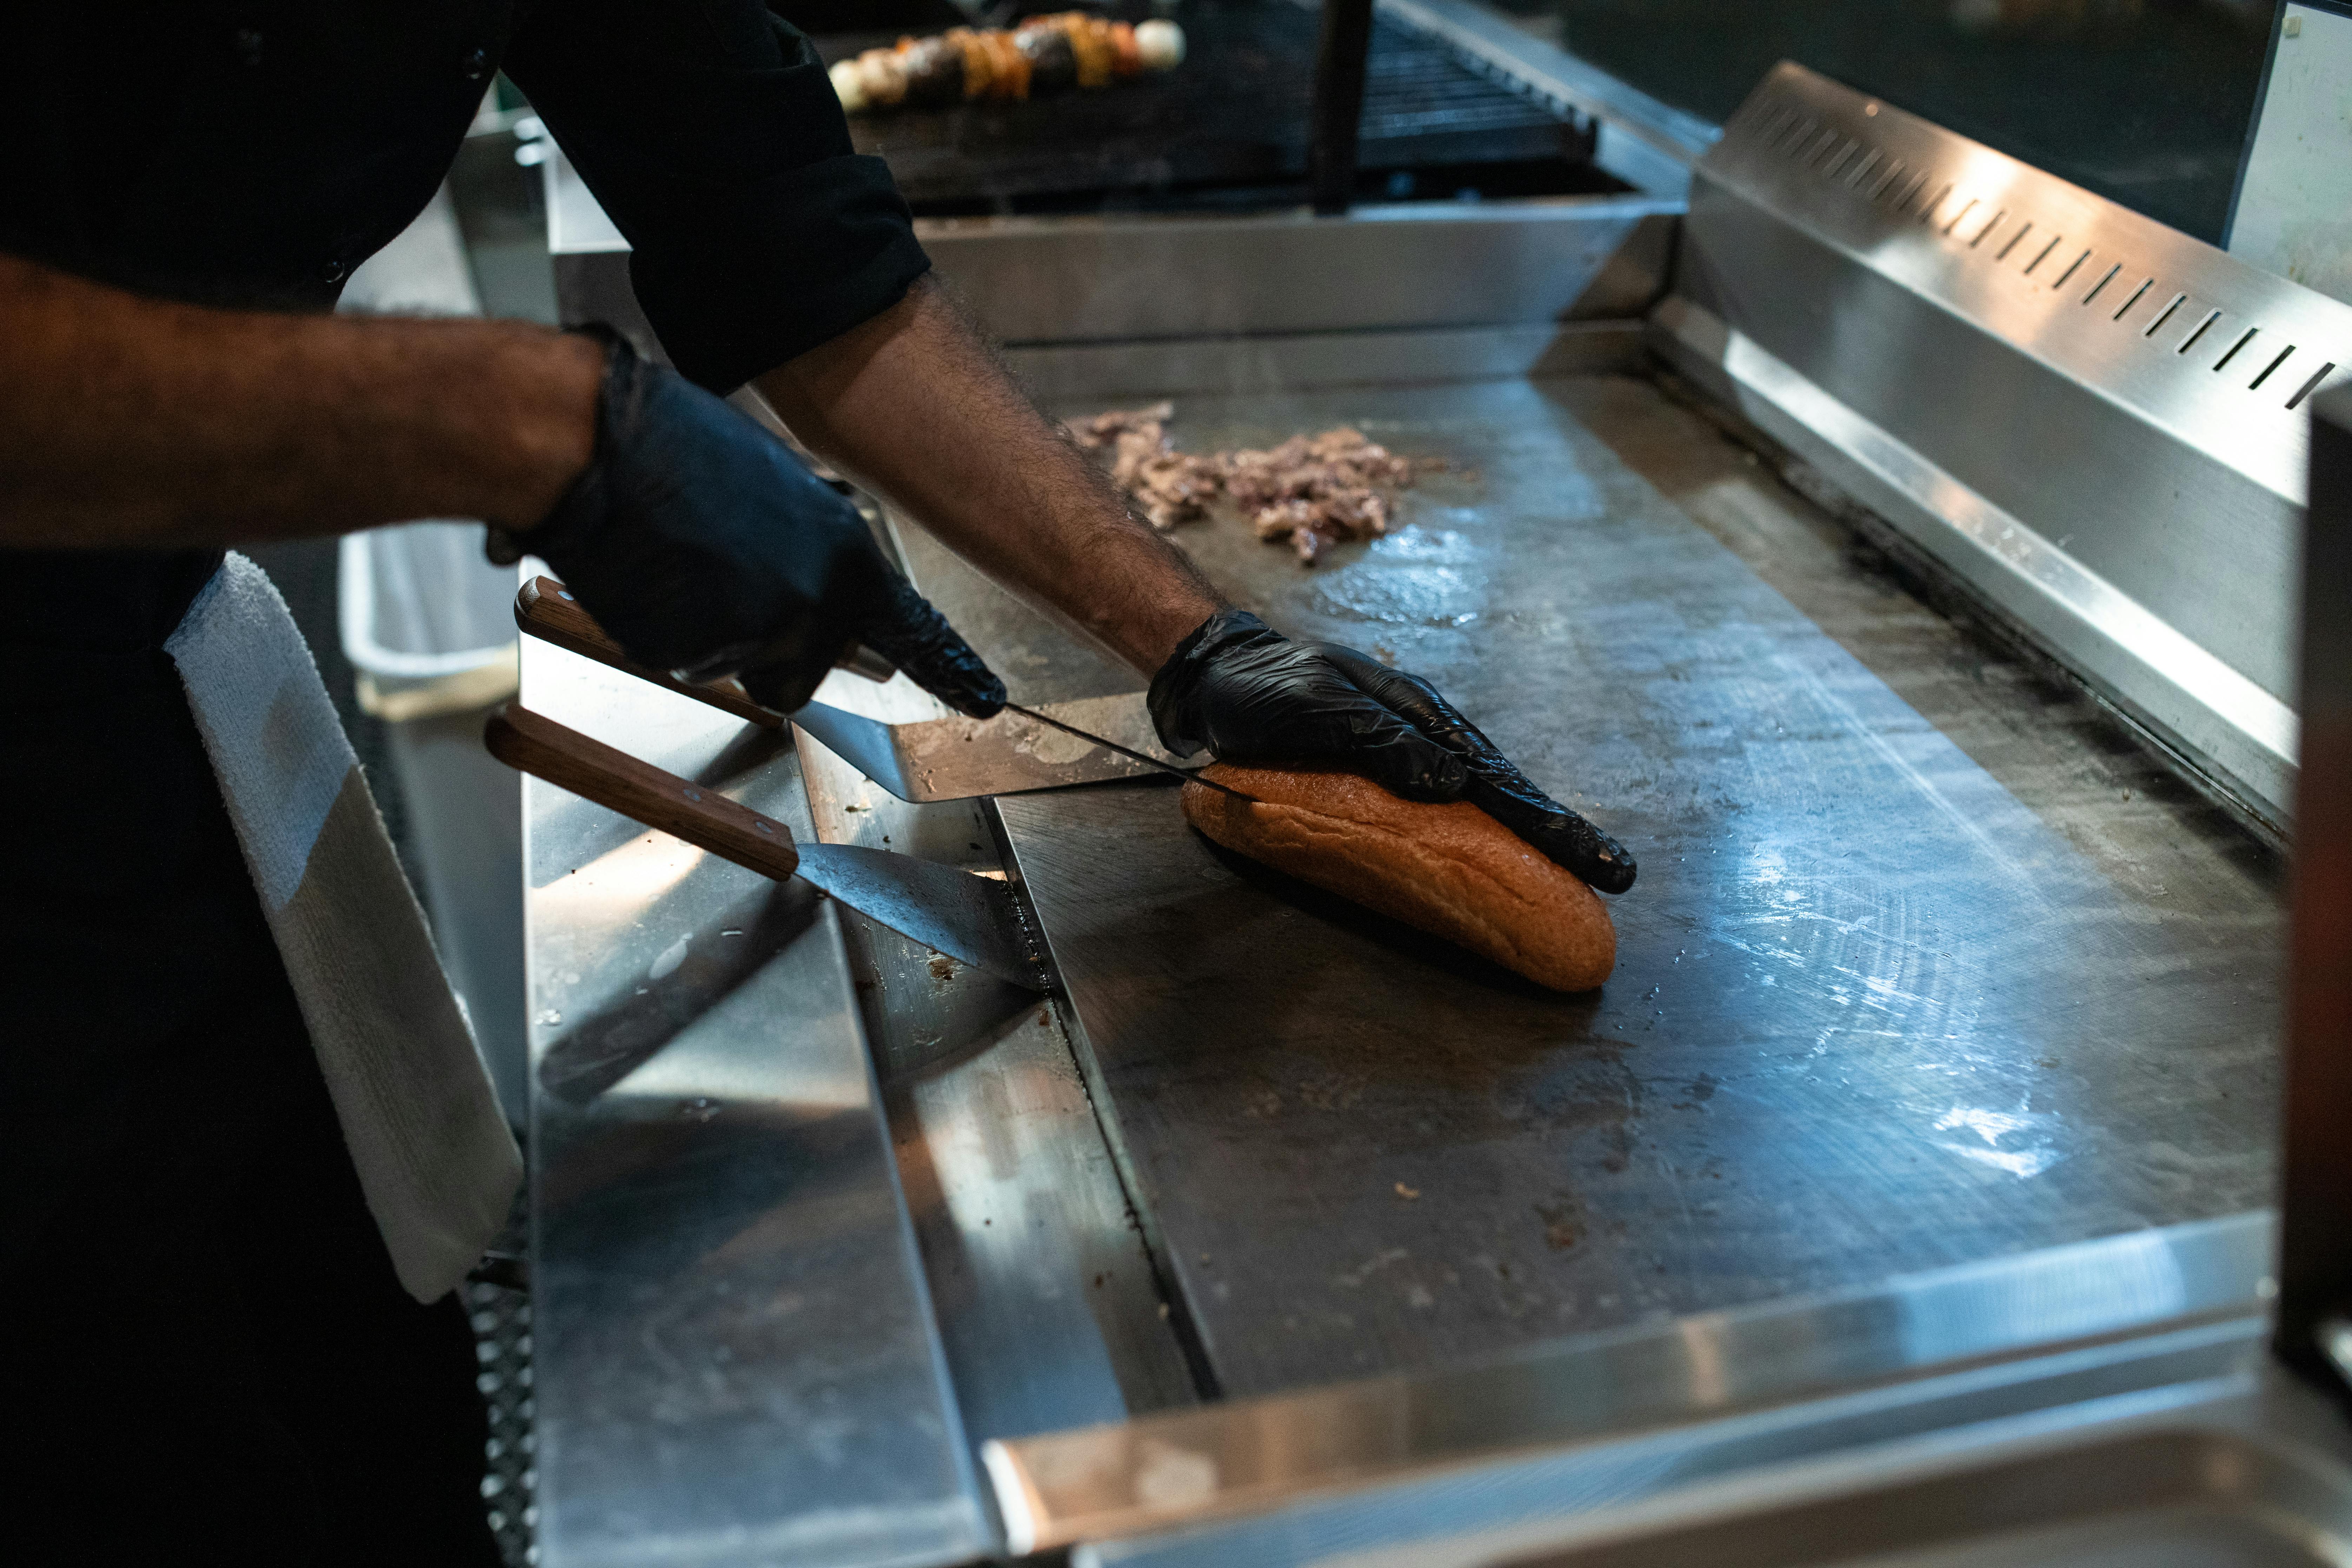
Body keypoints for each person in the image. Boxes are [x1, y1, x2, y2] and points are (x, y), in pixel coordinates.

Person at [0, 5, 1629, 1562]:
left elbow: (784, 230)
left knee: (345, 1402)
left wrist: (1196, 644)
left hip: (149, 700)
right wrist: (540, 422)